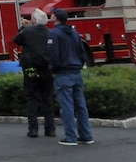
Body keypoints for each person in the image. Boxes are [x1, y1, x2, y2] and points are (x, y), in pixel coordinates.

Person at [49, 8, 93, 145]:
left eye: (52, 14)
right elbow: (81, 51)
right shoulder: (74, 32)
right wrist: (79, 64)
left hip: (63, 73)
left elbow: (53, 55)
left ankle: (70, 137)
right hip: (76, 72)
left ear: (56, 18)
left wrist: (53, 69)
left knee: (67, 106)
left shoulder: (54, 34)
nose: (50, 15)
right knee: (81, 105)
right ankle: (86, 135)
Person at [13, 9, 56, 138]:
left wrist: (23, 27)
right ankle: (50, 129)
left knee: (31, 96)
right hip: (47, 69)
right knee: (48, 97)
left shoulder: (27, 32)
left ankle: (33, 129)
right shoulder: (50, 32)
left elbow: (16, 40)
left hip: (31, 69)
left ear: (34, 20)